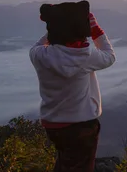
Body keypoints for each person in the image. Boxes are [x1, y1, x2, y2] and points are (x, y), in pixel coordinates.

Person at [30, 11, 116, 172]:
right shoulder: (85, 57)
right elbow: (109, 56)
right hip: (80, 126)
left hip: (52, 124)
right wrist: (95, 29)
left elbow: (38, 45)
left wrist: (57, 24)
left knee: (65, 163)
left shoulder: (40, 55)